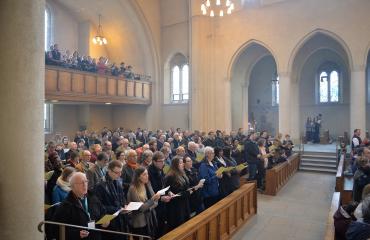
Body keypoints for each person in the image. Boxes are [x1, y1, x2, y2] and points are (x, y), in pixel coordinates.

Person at [52, 172, 107, 240]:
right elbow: (56, 229)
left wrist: (105, 221)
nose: (85, 185)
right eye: (81, 183)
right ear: (72, 186)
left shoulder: (93, 197)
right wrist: (76, 234)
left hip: (95, 236)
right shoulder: (66, 205)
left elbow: (103, 211)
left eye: (86, 181)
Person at [95, 160, 128, 240]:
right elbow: (99, 206)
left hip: (120, 220)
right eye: (117, 172)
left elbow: (121, 198)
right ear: (109, 170)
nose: (120, 175)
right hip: (109, 222)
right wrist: (118, 209)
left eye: (120, 172)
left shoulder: (118, 181)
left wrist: (125, 206)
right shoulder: (100, 185)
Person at [127, 167, 160, 238]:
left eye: (147, 174)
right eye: (144, 174)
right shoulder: (133, 188)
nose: (147, 176)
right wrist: (152, 200)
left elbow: (156, 202)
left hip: (150, 217)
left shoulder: (148, 183)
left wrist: (149, 207)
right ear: (138, 177)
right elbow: (141, 208)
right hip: (139, 221)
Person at [164, 156, 192, 231]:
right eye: (180, 163)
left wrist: (189, 191)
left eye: (182, 162)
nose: (182, 164)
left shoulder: (182, 173)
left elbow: (185, 187)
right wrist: (188, 192)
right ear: (175, 165)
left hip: (184, 203)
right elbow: (170, 191)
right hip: (176, 207)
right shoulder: (170, 176)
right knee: (178, 228)